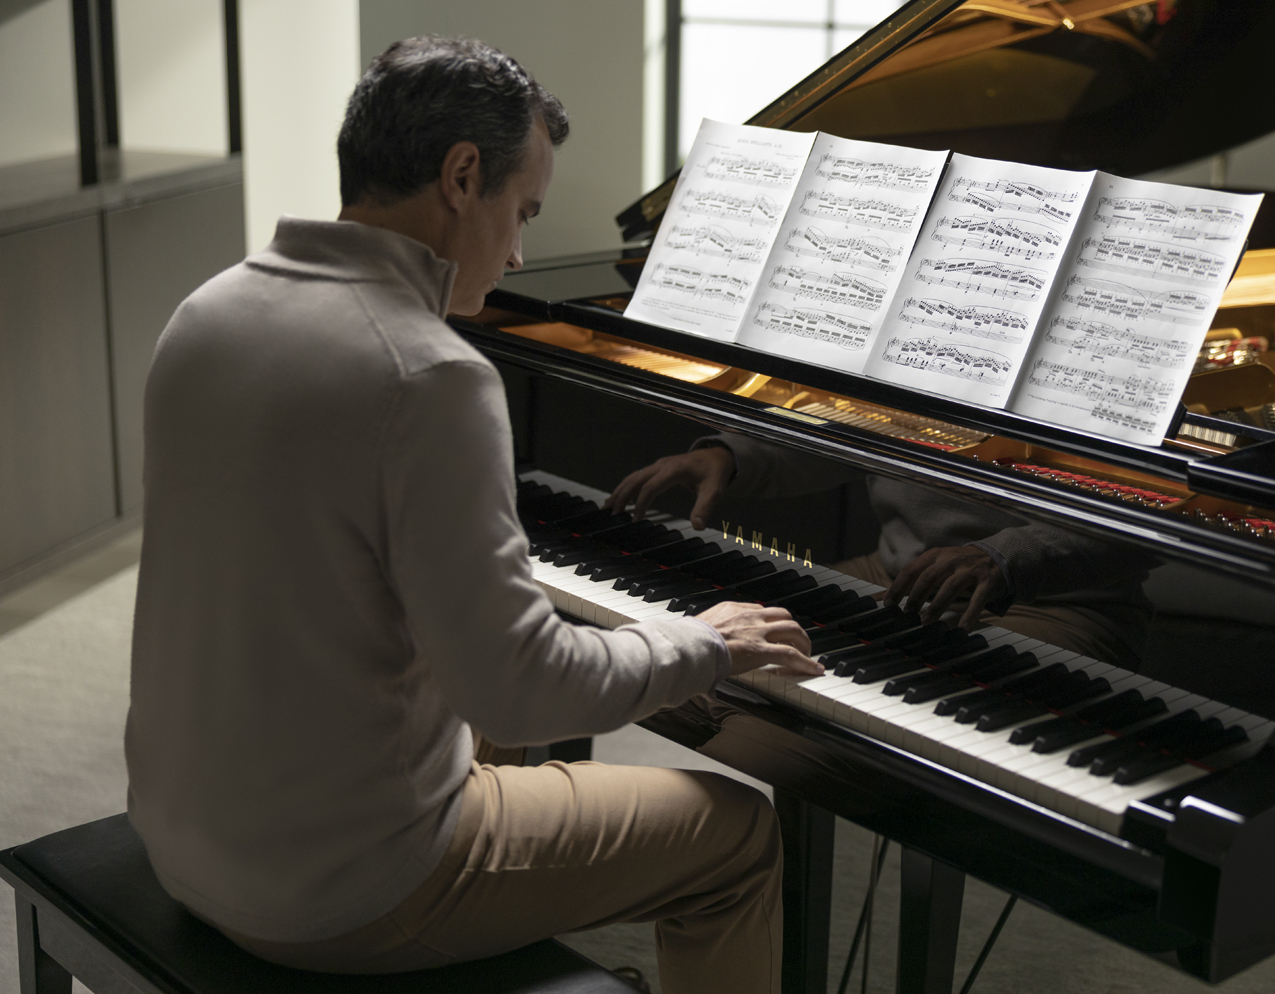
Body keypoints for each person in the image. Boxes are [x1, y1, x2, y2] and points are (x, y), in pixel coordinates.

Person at [124, 37, 818, 994]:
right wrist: (698, 642)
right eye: (522, 211)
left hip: (181, 829)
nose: (522, 250)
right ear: (461, 177)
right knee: (736, 835)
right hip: (339, 888)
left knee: (492, 729)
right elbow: (519, 688)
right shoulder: (430, 372)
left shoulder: (207, 310)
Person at [607, 434, 1156, 666]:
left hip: (1058, 601)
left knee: (764, 722)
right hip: (895, 575)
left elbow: (1158, 508)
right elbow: (847, 430)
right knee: (703, 674)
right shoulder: (919, 316)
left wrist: (1007, 555)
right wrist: (732, 454)